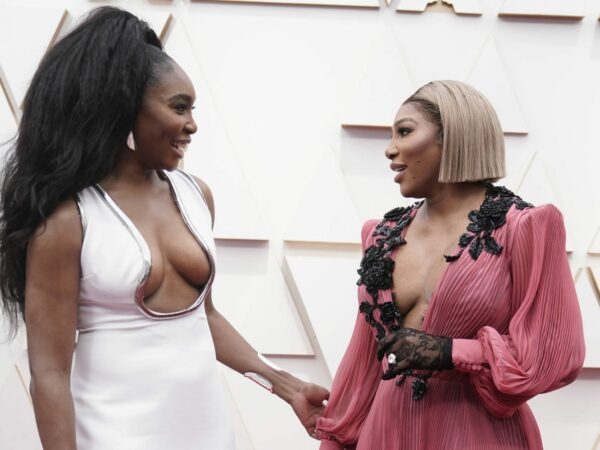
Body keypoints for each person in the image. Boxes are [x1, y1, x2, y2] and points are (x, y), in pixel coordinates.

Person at [0, 7, 328, 450]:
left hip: (208, 433)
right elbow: (50, 373)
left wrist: (286, 388)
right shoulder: (66, 222)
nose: (192, 125)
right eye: (179, 107)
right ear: (126, 109)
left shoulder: (197, 196)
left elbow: (203, 317)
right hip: (114, 436)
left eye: (193, 108)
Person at [315, 80, 585, 449]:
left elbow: (554, 352)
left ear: (453, 138)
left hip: (475, 433)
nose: (390, 149)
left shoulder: (526, 227)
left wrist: (450, 351)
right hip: (385, 432)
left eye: (404, 132)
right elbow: (363, 365)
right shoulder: (380, 235)